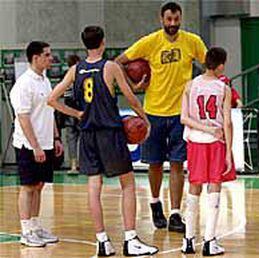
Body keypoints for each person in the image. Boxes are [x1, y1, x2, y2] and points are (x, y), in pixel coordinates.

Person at [48, 26, 158, 256]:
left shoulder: (75, 70)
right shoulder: (110, 67)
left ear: (85, 44)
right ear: (103, 42)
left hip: (87, 135)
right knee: (128, 185)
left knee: (93, 188)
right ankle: (130, 239)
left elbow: (52, 99)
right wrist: (146, 121)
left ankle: (102, 242)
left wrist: (77, 114)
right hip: (109, 133)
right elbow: (132, 100)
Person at [115, 1, 207, 232]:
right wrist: (133, 85)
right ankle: (155, 203)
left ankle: (175, 213)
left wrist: (201, 86)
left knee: (177, 163)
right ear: (162, 19)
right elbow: (118, 63)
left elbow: (210, 65)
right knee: (155, 164)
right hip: (153, 112)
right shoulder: (150, 42)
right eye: (169, 20)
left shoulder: (192, 41)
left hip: (181, 114)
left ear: (181, 18)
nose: (173, 24)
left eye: (176, 19)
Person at [180, 47, 236, 256]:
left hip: (195, 142)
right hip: (215, 142)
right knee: (214, 190)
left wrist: (202, 128)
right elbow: (228, 123)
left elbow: (183, 118)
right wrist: (228, 152)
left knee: (194, 189)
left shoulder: (190, 85)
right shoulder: (224, 88)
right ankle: (209, 241)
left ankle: (188, 240)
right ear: (221, 65)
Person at [10, 41, 64, 247]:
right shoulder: (24, 84)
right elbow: (23, 118)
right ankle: (25, 231)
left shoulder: (45, 80)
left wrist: (56, 138)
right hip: (28, 145)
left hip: (46, 142)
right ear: (36, 58)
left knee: (40, 186)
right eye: (47, 55)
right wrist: (36, 147)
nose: (51, 58)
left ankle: (35, 226)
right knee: (28, 187)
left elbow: (49, 110)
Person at [63, 54, 81, 175]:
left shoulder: (65, 78)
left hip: (69, 112)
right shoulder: (81, 76)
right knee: (84, 138)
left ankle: (74, 165)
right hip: (80, 111)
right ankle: (82, 164)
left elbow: (66, 97)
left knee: (71, 140)